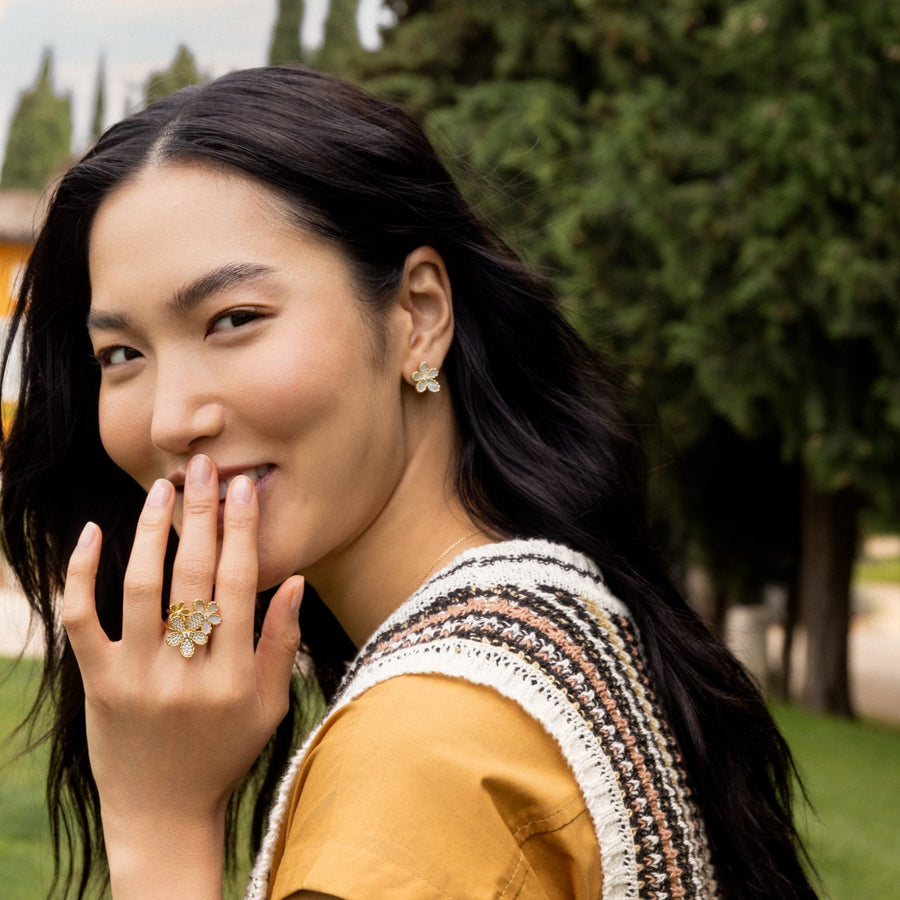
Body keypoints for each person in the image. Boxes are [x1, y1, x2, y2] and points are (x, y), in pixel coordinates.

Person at [0, 65, 817, 900]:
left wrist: (161, 828)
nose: (172, 419)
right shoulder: (566, 625)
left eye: (234, 320)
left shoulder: (424, 752)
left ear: (418, 315)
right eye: (122, 355)